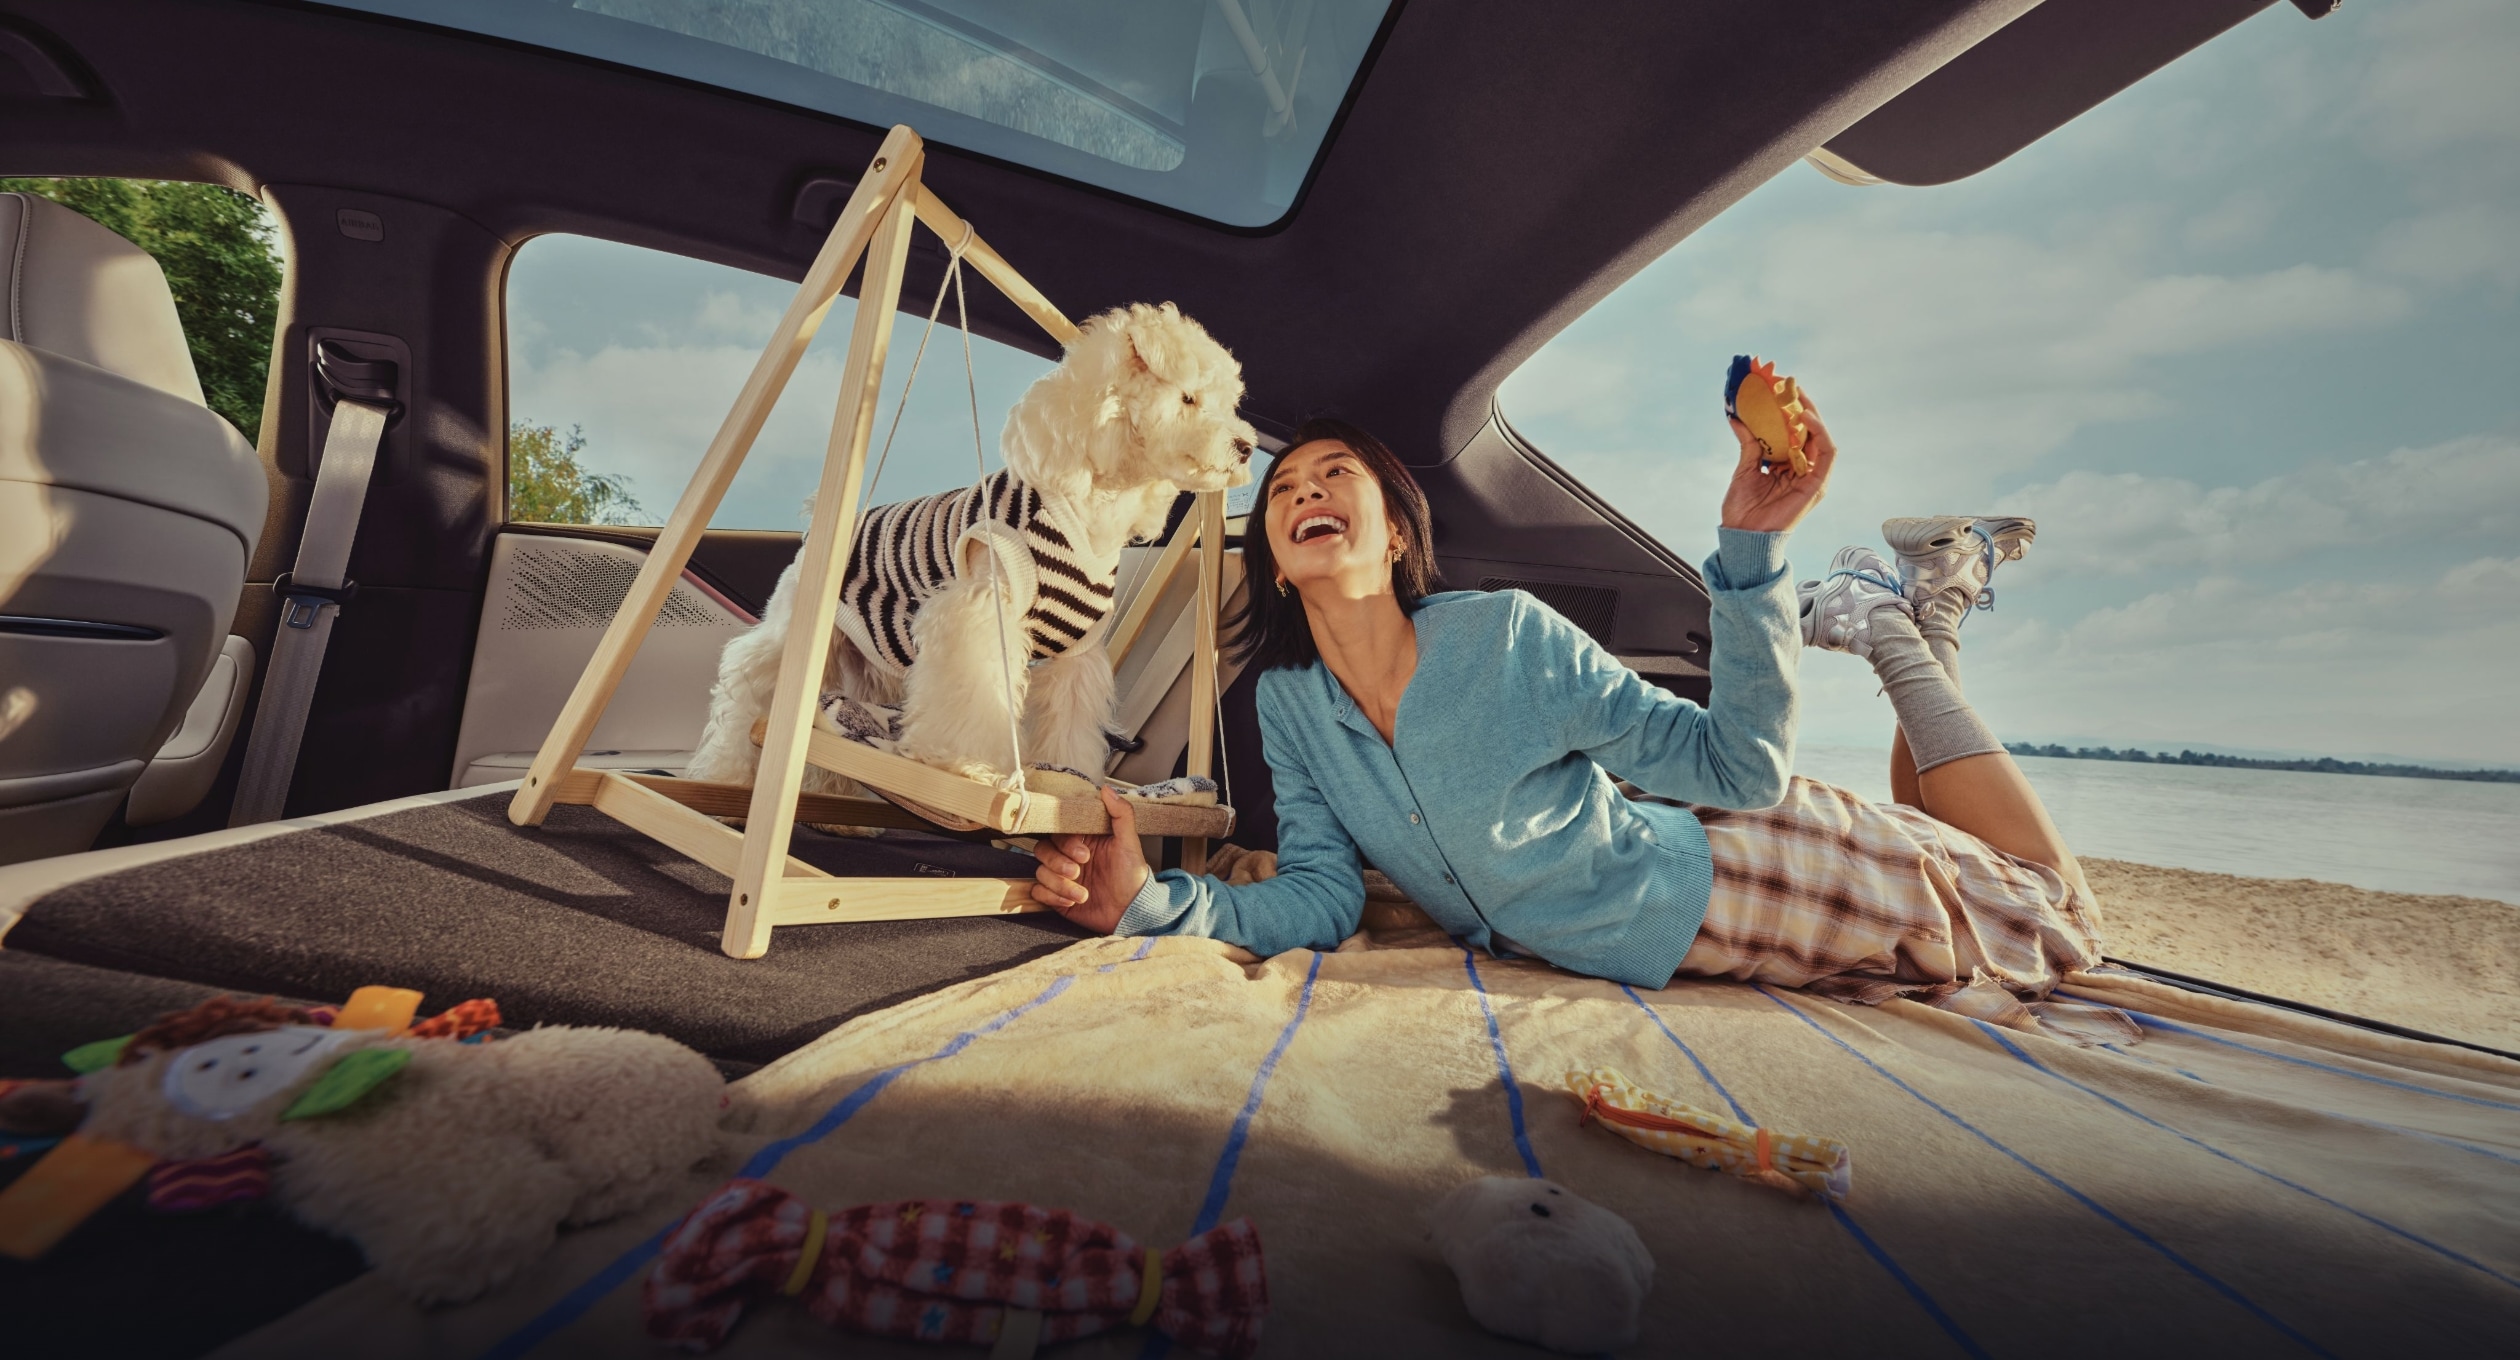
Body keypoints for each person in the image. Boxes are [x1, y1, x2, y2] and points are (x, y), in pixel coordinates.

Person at [1029, 404, 2104, 1017]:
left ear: (1396, 531)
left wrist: (1752, 551)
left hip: (1752, 869)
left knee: (2058, 915)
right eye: (1284, 488)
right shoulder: (1289, 703)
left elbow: (1740, 770)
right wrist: (1150, 903)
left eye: (1334, 472)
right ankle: (1920, 615)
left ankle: (1899, 631)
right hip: (1697, 902)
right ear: (1272, 556)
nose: (1303, 488)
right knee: (1960, 848)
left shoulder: (1505, 635)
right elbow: (1319, 892)